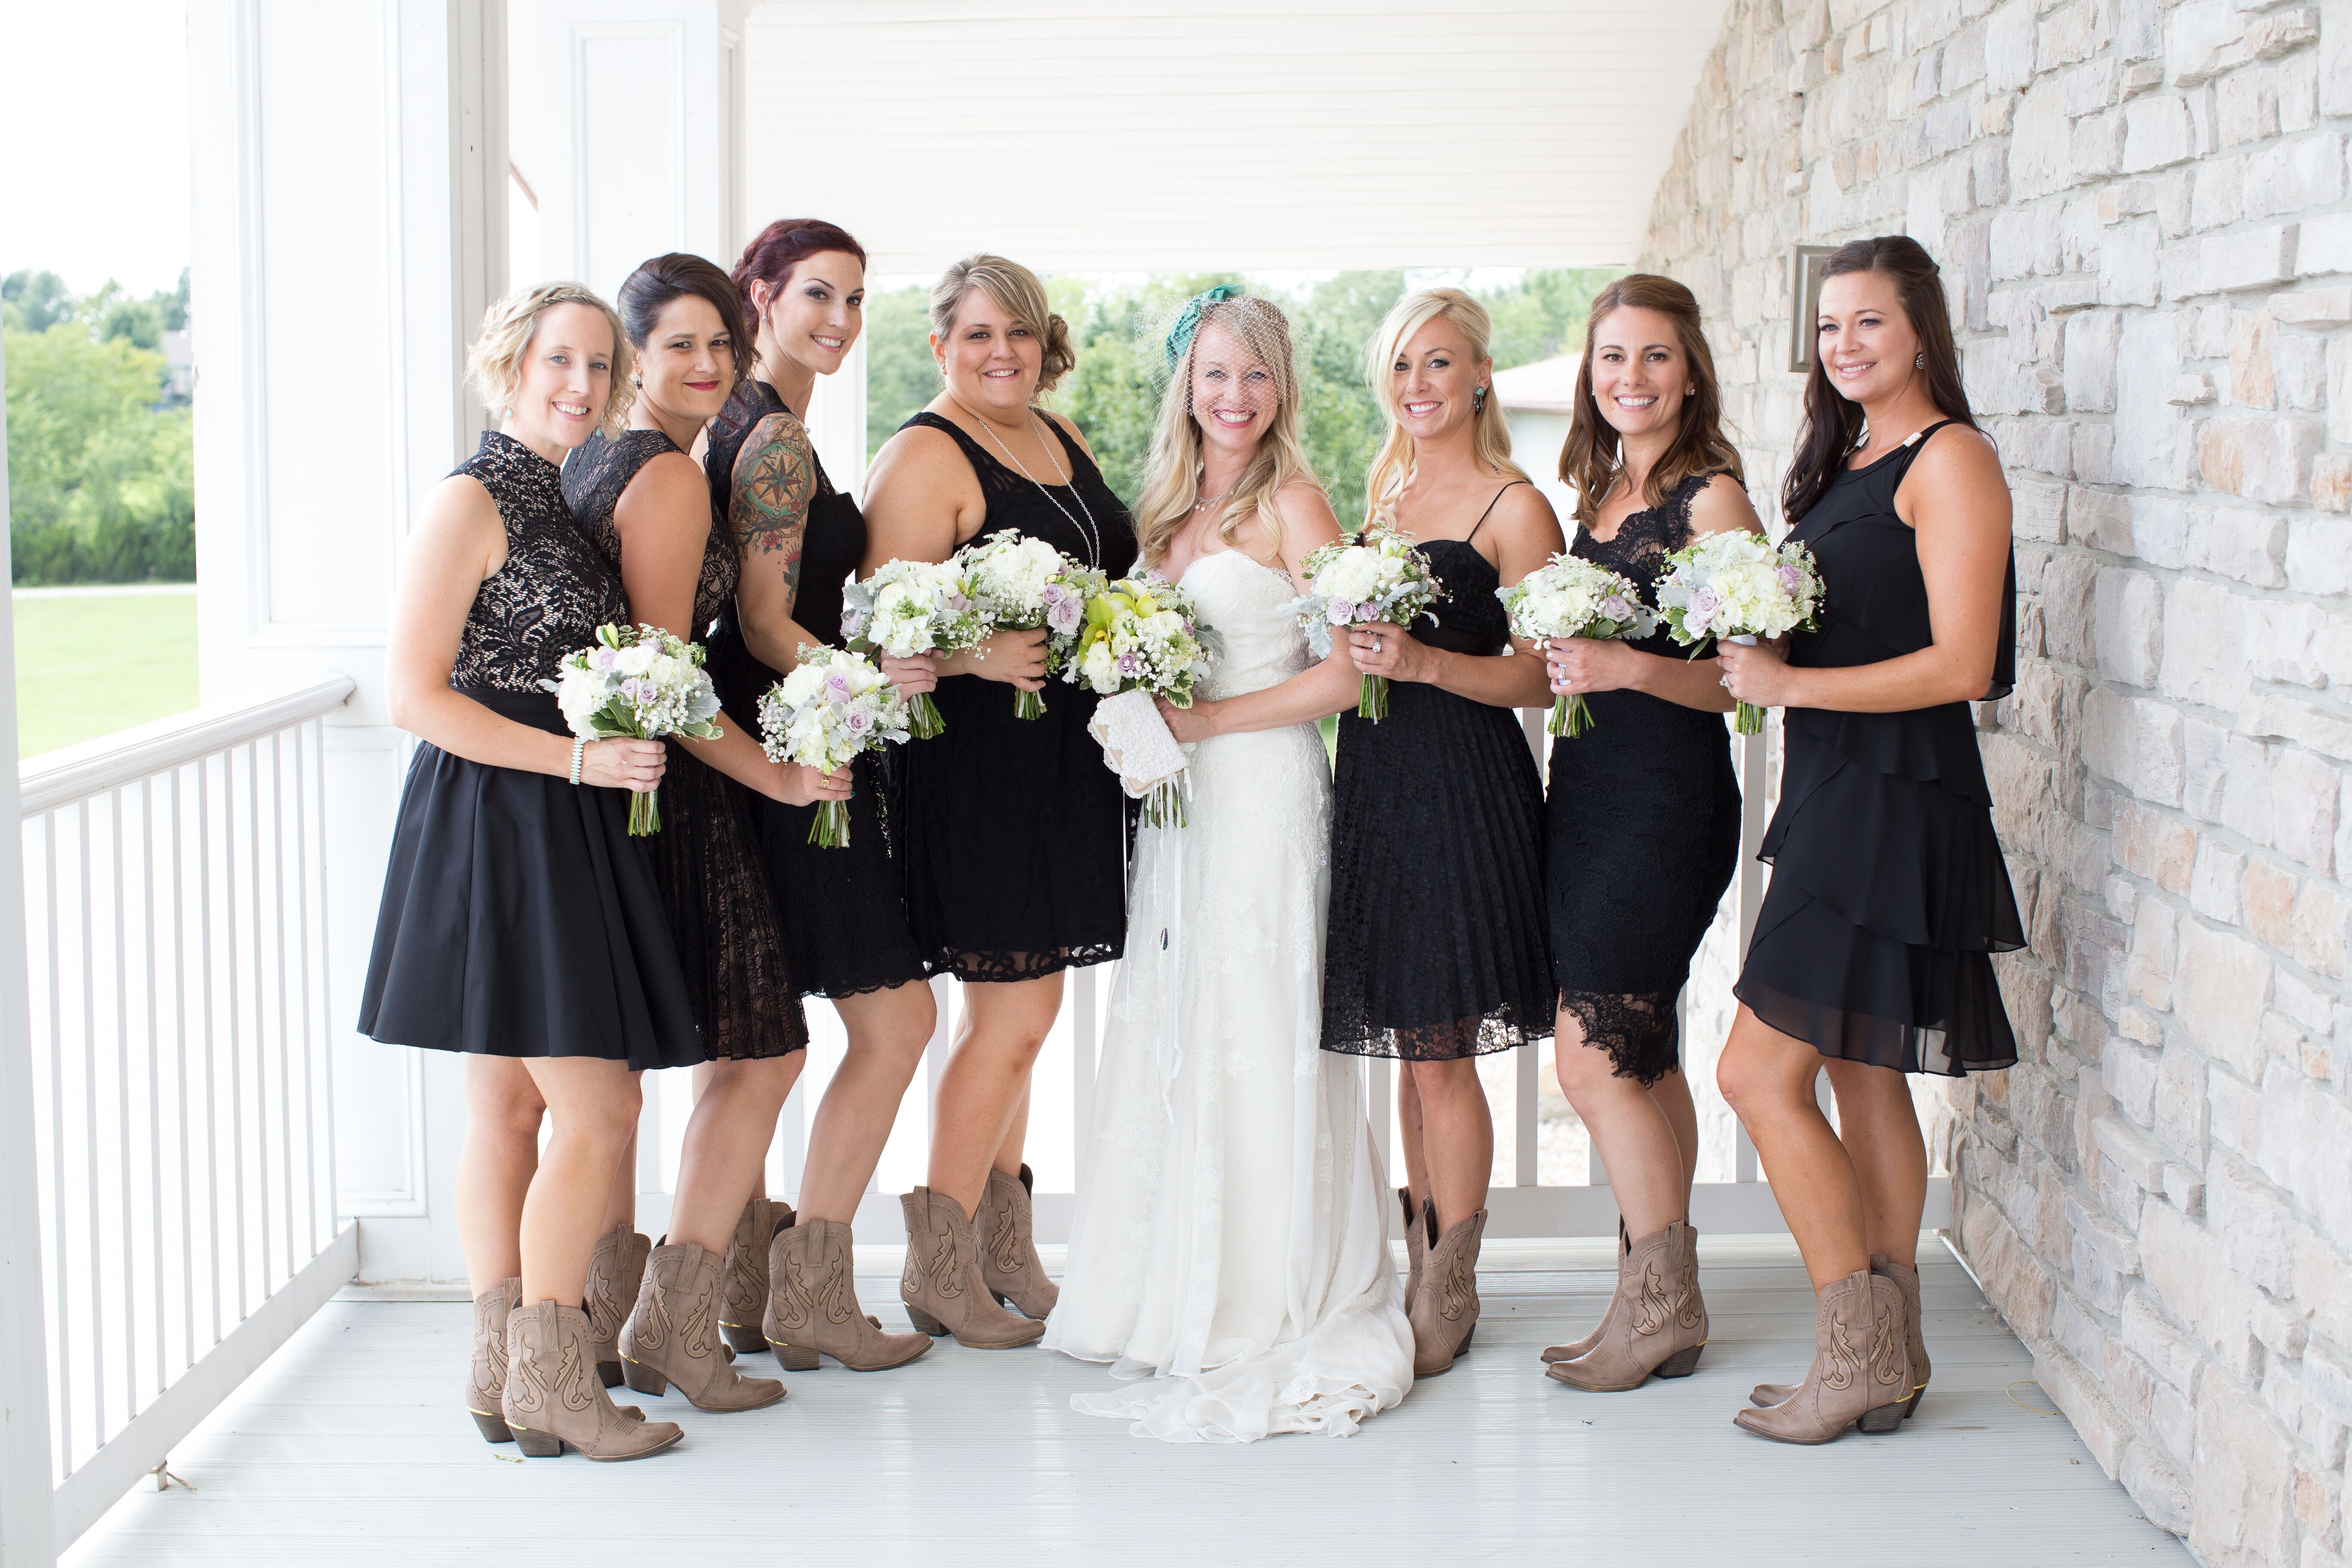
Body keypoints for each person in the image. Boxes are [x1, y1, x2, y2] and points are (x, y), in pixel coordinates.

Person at [1044, 288, 1414, 1440]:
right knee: (1182, 1017)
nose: (1235, 397)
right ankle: (1168, 1287)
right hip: (1181, 814)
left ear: (1281, 387)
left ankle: (1261, 1287)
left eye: (1256, 375)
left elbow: (1346, 678)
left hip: (1260, 793)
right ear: (1186, 385)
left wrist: (1201, 725)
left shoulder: (1293, 502)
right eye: (1215, 374)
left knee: (1256, 1013)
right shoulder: (1164, 509)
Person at [358, 282, 689, 1461]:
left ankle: (505, 1371)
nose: (582, 386)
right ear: (511, 364)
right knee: (599, 1108)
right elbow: (413, 695)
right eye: (560, 361)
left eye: (600, 366)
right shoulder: (471, 499)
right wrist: (579, 756)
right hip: (506, 812)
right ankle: (550, 1375)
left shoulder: (559, 496)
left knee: (510, 1106)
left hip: (558, 812)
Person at [1715, 234, 2021, 1443]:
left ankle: (1855, 1351)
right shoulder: (1850, 460)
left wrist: (1793, 689)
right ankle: (1886, 1360)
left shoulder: (1953, 461)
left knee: (1754, 1073)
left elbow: (1964, 664)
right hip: (1841, 785)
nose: (1844, 346)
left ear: (1922, 333)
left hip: (1896, 792)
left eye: (1869, 324)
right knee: (1857, 1066)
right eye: (1831, 328)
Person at [562, 251, 853, 1412]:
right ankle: (675, 1329)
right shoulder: (672, 481)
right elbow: (666, 670)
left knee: (636, 1065)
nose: (707, 365)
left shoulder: (596, 459)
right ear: (638, 356)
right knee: (764, 1052)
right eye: (681, 344)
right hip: (670, 790)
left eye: (722, 348)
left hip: (618, 786)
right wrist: (775, 778)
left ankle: (602, 1324)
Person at [861, 254, 1138, 1348]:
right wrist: (977, 656)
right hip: (976, 771)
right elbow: (878, 621)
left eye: (1018, 333)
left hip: (1057, 765)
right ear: (941, 346)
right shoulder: (928, 451)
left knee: (1021, 1016)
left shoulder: (1054, 434)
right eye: (978, 336)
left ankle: (1003, 1250)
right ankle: (938, 1263)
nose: (1002, 354)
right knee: (1014, 1015)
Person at [698, 218, 934, 1372]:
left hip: (768, 750)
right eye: (817, 296)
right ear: (760, 295)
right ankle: (811, 1294)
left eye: (854, 298)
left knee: (756, 1047)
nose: (839, 319)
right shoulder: (775, 438)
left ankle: (746, 1295)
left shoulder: (745, 421)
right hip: (795, 758)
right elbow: (760, 625)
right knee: (898, 1022)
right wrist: (873, 680)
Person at [1323, 287, 1562, 1377]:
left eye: (1439, 364)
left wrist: (1423, 663)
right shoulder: (1386, 490)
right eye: (1402, 367)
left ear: (1480, 376)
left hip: (1465, 784)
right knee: (1412, 1050)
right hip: (1378, 783)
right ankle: (1425, 1259)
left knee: (1440, 1054)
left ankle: (1451, 1285)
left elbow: (1545, 676)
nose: (1417, 385)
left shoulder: (1515, 506)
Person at [1534, 275, 1759, 1393]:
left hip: (1665, 802)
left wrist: (1626, 666)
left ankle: (1660, 1304)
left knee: (1591, 1061)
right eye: (1613, 357)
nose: (1632, 378)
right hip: (1585, 795)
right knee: (1643, 1049)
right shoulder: (1598, 495)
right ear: (1591, 374)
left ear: (1691, 369)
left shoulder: (1711, 501)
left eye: (1655, 356)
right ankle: (1652, 1297)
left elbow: (1753, 682)